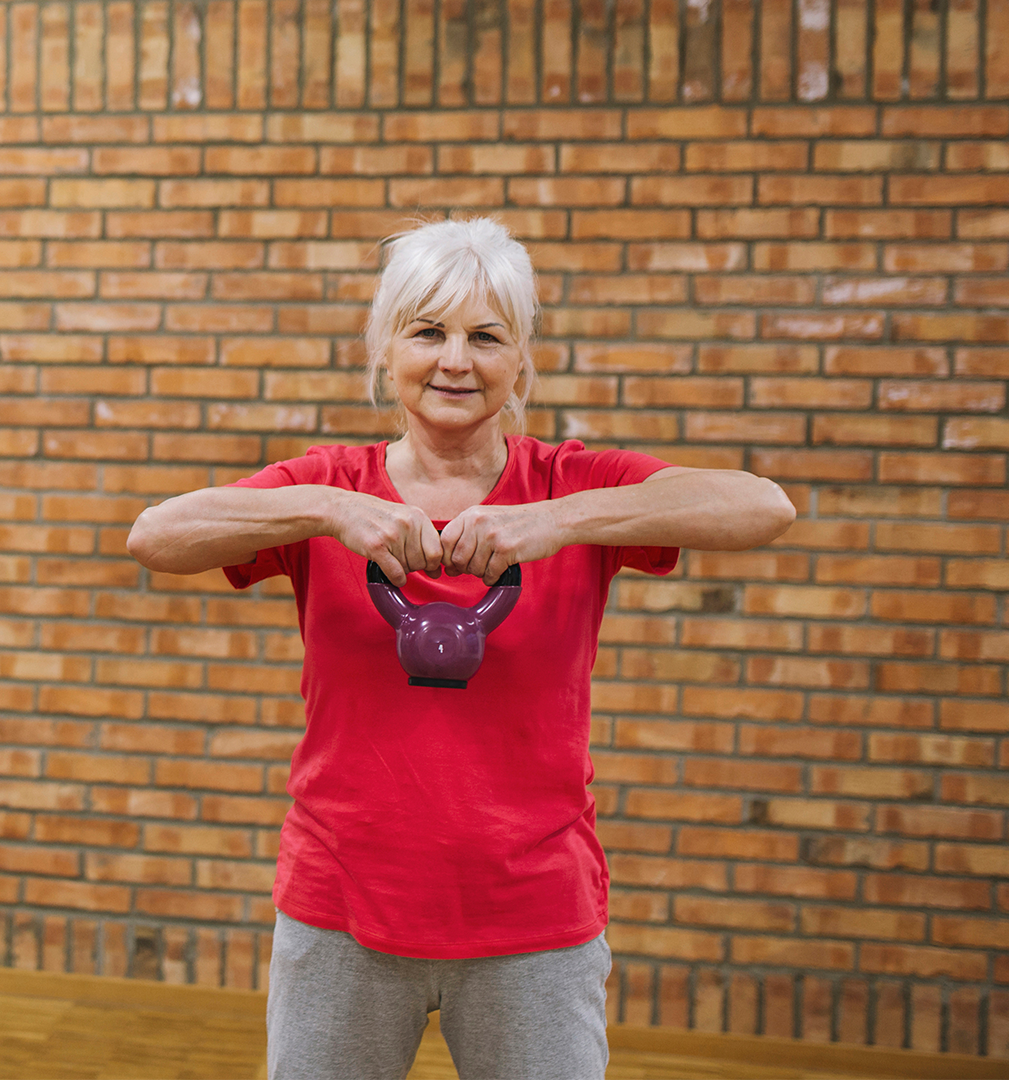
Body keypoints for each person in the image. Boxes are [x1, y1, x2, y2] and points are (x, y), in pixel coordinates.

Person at [126, 218, 794, 1080]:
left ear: (521, 359)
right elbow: (156, 536)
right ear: (386, 348)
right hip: (341, 909)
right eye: (427, 332)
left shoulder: (568, 484)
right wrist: (329, 510)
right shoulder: (329, 487)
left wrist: (556, 521)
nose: (455, 361)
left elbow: (762, 506)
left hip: (534, 919)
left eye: (486, 337)